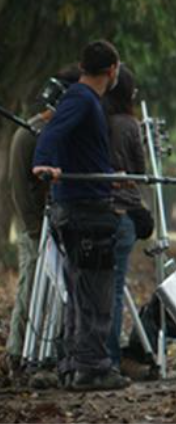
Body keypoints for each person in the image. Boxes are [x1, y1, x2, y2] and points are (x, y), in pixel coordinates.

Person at [32, 40, 130, 391]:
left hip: (88, 201)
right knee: (94, 293)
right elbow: (53, 132)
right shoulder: (80, 98)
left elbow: (81, 151)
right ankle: (91, 368)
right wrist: (43, 162)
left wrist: (108, 178)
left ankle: (76, 365)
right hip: (83, 213)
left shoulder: (87, 101)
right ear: (112, 70)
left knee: (82, 290)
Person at [5, 66, 81, 389]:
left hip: (59, 229)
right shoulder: (28, 135)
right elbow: (21, 192)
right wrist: (36, 231)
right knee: (30, 291)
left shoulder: (63, 133)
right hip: (37, 230)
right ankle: (17, 355)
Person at [101, 64, 148, 373]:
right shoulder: (129, 126)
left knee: (89, 290)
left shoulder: (93, 120)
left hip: (90, 211)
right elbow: (140, 171)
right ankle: (111, 360)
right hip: (121, 215)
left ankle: (90, 357)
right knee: (115, 290)